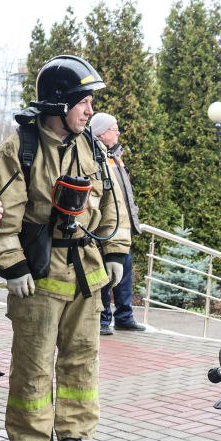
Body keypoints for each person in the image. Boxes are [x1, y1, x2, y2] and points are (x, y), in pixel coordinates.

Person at [0, 55, 130, 441]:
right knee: (32, 359)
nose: (90, 110)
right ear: (59, 104)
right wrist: (12, 264)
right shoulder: (19, 151)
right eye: (83, 102)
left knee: (82, 356)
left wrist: (116, 251)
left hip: (86, 273)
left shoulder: (93, 150)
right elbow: (0, 216)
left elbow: (113, 208)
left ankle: (75, 430)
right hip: (39, 275)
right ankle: (29, 437)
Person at [88, 112, 145, 335]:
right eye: (114, 128)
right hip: (105, 230)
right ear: (102, 133)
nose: (118, 132)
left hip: (123, 229)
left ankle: (124, 316)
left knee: (124, 274)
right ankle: (103, 320)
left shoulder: (115, 157)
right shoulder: (96, 158)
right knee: (105, 276)